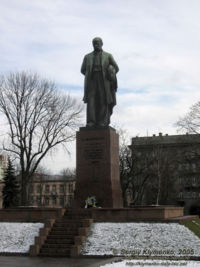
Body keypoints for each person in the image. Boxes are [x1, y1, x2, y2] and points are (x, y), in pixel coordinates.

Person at [81, 37, 119, 127]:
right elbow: (83, 70)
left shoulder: (108, 55)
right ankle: (91, 121)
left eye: (97, 43)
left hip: (104, 81)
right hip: (92, 80)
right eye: (94, 43)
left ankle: (102, 121)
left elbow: (116, 68)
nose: (96, 44)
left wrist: (111, 72)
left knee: (103, 99)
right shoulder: (87, 56)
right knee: (91, 100)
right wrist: (90, 74)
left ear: (102, 44)